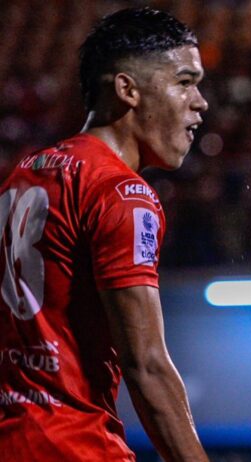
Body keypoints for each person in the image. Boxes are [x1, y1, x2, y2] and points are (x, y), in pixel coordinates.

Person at [0, 7, 209, 462]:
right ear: (127, 89)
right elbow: (147, 366)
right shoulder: (122, 194)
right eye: (185, 82)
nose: (200, 103)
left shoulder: (23, 173)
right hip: (74, 445)